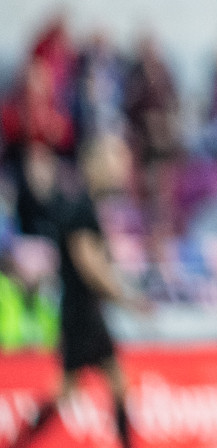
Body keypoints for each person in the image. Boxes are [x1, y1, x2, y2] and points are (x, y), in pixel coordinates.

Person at [13, 139, 147, 448]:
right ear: (95, 165)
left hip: (82, 311)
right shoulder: (80, 208)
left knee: (106, 384)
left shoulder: (82, 205)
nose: (120, 170)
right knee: (81, 388)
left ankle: (19, 442)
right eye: (114, 162)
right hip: (81, 315)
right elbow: (89, 265)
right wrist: (127, 297)